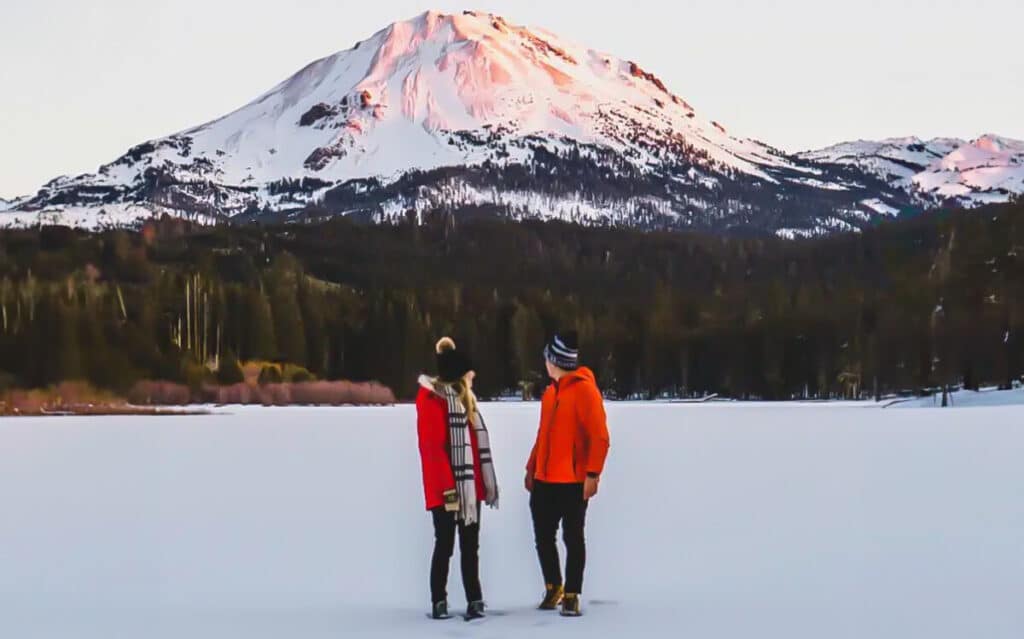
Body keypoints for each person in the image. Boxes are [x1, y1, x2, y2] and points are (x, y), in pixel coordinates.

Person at [525, 330, 610, 617]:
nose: (545, 363)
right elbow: (543, 435)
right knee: (543, 537)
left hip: (573, 482)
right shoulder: (550, 393)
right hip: (544, 479)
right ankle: (554, 587)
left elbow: (600, 436)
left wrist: (592, 474)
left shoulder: (585, 391)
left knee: (572, 538)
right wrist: (531, 467)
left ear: (556, 361)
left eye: (547, 358)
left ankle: (572, 593)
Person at [416, 337, 499, 620]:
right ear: (459, 376)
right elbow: (433, 450)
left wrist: (480, 486)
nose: (472, 378)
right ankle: (439, 600)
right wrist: (449, 490)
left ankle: (474, 599)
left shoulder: (466, 404)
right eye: (468, 374)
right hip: (446, 491)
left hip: (469, 490)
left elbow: (475, 449)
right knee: (445, 544)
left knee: (470, 546)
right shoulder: (433, 402)